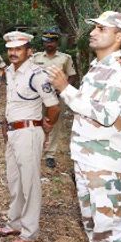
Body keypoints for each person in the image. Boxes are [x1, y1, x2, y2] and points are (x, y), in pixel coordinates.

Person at [46, 11, 121, 242]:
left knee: (110, 221)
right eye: (95, 28)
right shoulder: (98, 68)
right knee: (92, 218)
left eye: (101, 28)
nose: (94, 32)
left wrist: (65, 88)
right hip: (87, 157)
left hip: (107, 160)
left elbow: (103, 113)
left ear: (119, 36)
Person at [0, 30, 59, 242]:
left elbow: (53, 106)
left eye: (18, 49)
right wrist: (5, 124)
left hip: (29, 132)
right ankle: (14, 223)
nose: (13, 53)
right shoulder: (10, 71)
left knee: (29, 183)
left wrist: (47, 126)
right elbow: (12, 102)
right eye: (10, 49)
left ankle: (30, 234)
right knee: (14, 180)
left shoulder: (37, 74)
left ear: (28, 51)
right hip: (13, 132)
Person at [32, 28, 78, 168]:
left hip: (57, 97)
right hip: (39, 97)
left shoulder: (65, 58)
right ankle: (36, 151)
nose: (49, 44)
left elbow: (72, 75)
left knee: (54, 124)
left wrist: (63, 89)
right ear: (44, 43)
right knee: (36, 122)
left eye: (52, 41)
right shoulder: (36, 58)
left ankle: (50, 154)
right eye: (47, 41)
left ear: (57, 43)